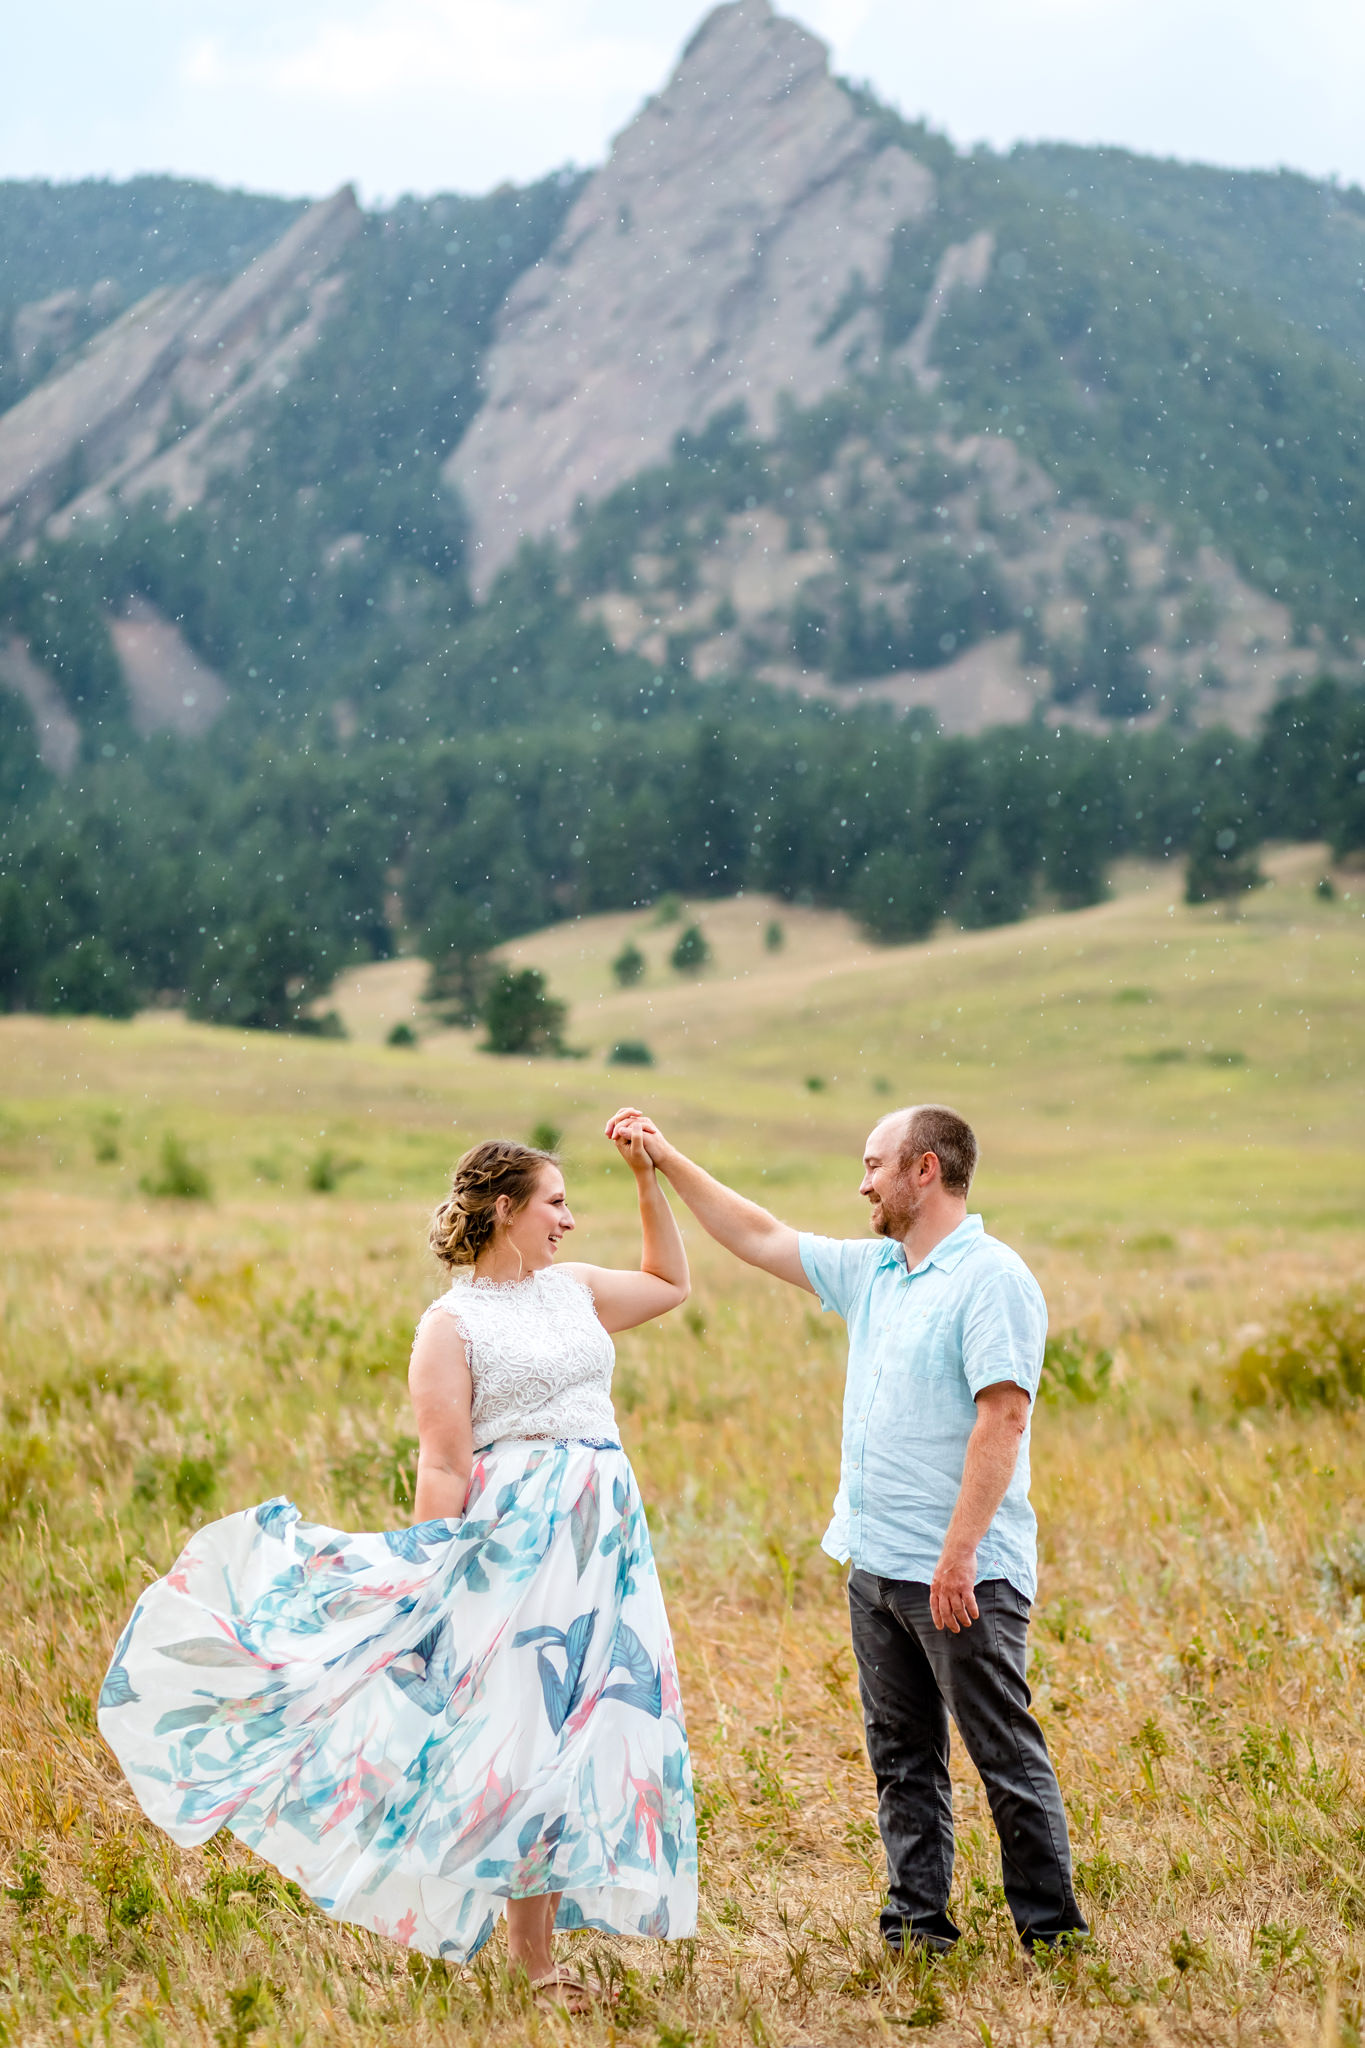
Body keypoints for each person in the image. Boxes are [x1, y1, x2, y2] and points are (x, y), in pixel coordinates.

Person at [98, 1129, 698, 2014]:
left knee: (593, 1722)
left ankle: (542, 1938)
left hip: (603, 1535)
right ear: (506, 1209)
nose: (570, 1219)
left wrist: (647, 1180)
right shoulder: (451, 1325)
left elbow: (670, 1284)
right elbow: (445, 1467)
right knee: (518, 1735)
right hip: (511, 1544)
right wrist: (431, 1572)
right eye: (556, 1202)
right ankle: (531, 1963)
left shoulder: (572, 1292)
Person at [605, 1101, 1087, 1958]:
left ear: (923, 1170)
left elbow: (1003, 1417)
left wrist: (959, 1557)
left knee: (1000, 1753)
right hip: (873, 1562)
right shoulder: (875, 1270)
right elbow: (756, 1236)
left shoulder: (992, 1278)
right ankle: (916, 1928)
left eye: (874, 1164)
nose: (861, 1182)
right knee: (902, 1757)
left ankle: (1050, 1937)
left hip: (960, 1570)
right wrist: (664, 1158)